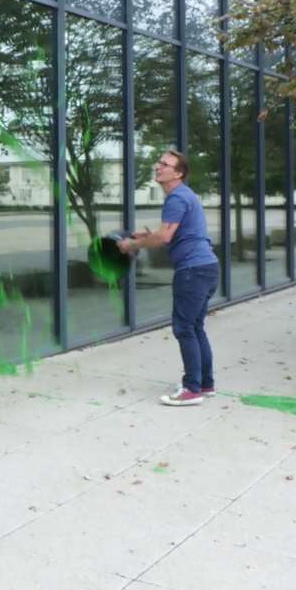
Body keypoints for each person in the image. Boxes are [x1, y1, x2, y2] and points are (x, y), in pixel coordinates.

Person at [119, 149, 220, 405]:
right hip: (207, 267)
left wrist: (131, 246)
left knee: (184, 328)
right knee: (195, 327)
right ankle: (205, 383)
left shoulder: (176, 197)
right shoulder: (186, 196)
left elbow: (164, 237)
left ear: (178, 173)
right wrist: (144, 237)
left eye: (165, 164)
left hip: (193, 271)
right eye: (159, 162)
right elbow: (171, 235)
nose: (158, 167)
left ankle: (191, 389)